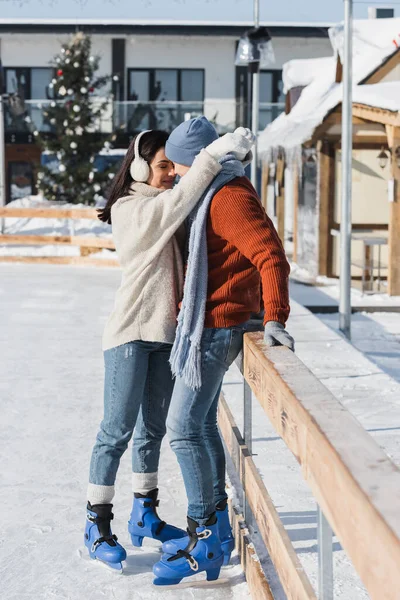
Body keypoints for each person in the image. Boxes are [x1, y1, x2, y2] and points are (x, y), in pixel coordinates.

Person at [84, 124, 255, 572]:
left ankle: (145, 512)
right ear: (140, 166)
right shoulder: (130, 208)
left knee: (153, 430)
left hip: (167, 335)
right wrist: (209, 159)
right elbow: (176, 204)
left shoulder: (165, 203)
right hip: (129, 332)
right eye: (162, 166)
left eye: (170, 166)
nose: (168, 174)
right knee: (115, 430)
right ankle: (96, 522)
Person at [152, 117, 293, 586]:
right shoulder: (210, 191)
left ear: (197, 162)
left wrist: (275, 317)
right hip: (207, 324)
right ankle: (214, 528)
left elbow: (270, 253)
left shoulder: (227, 197)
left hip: (216, 327)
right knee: (201, 424)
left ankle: (204, 535)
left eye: (176, 165)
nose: (172, 174)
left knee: (183, 427)